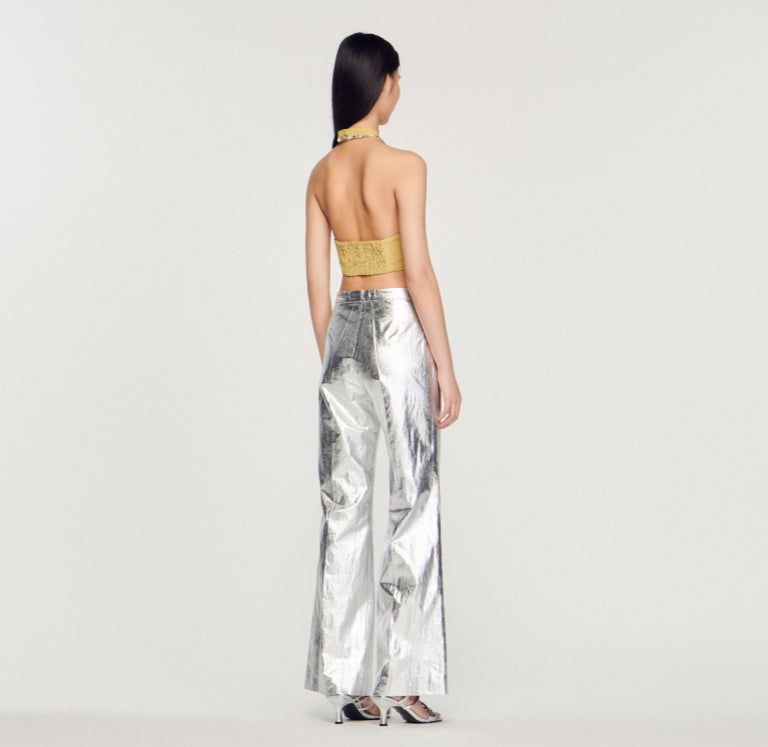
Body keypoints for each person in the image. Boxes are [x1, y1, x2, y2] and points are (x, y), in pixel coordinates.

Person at [303, 32, 461, 726]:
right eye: (397, 79)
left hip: (343, 327)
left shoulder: (322, 174)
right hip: (398, 326)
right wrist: (444, 365)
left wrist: (336, 358)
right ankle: (407, 682)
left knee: (344, 504)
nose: (400, 90)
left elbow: (317, 285)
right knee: (412, 498)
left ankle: (350, 683)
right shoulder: (406, 165)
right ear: (382, 84)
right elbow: (418, 271)